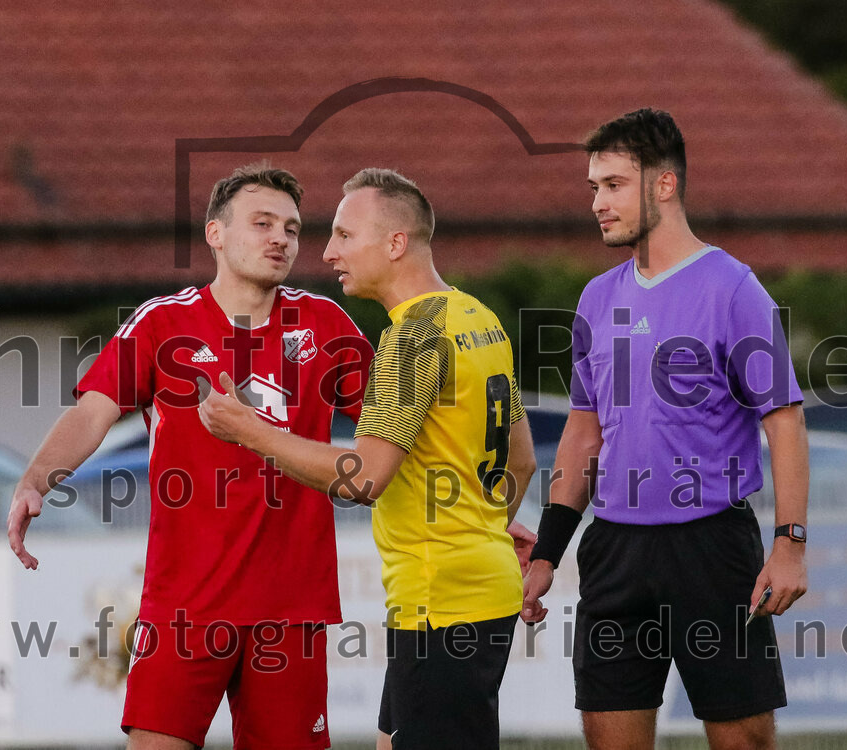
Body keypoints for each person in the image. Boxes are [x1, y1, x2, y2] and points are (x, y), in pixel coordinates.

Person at [6, 164, 374, 750]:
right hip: (184, 607)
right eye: (262, 223)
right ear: (215, 234)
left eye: (292, 228)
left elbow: (395, 436)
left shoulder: (326, 324)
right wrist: (34, 480)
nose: (281, 239)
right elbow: (92, 413)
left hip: (290, 610)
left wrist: (481, 509)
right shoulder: (164, 323)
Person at [198, 168, 537, 750]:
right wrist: (483, 526)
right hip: (480, 586)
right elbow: (522, 459)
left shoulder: (413, 339)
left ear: (395, 243)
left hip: (439, 599)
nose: (329, 252)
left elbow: (365, 479)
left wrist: (251, 432)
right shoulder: (477, 316)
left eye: (345, 235)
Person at [522, 109, 809, 750]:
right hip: (614, 551)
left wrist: (790, 544)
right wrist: (548, 551)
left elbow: (785, 421)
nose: (597, 203)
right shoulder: (597, 298)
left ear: (664, 184)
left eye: (613, 185)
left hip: (712, 549)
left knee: (743, 741)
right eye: (593, 187)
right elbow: (583, 434)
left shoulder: (733, 288)